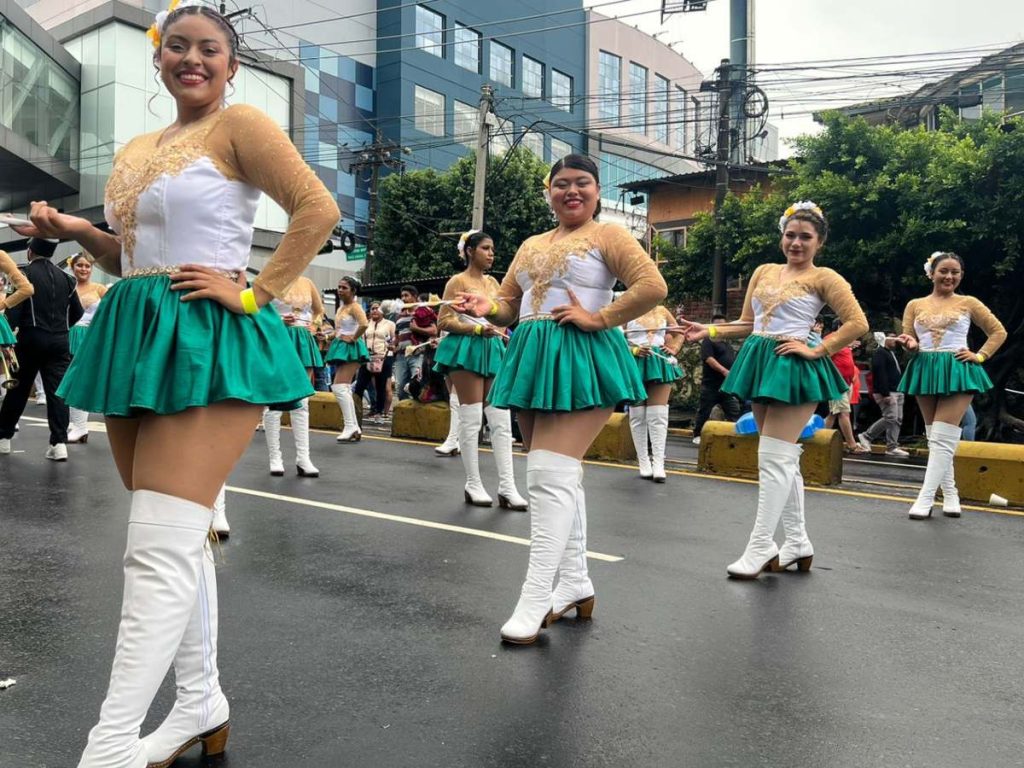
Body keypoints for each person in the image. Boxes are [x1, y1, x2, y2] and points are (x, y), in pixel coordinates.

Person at [13, 4, 339, 765]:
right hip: (140, 328)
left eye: (211, 49)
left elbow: (315, 208)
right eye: (179, 47)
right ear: (159, 58)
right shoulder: (137, 147)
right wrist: (72, 231)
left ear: (231, 63)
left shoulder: (243, 126)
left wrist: (257, 292)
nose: (193, 59)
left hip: (208, 330)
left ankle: (109, 745)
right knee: (175, 540)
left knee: (155, 549)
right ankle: (199, 702)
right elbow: (132, 255)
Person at [457, 154, 667, 644]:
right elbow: (511, 306)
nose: (572, 192)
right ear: (548, 191)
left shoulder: (609, 234)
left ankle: (536, 597)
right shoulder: (531, 244)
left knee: (549, 475)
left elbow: (652, 286)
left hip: (583, 353)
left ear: (597, 190)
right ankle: (574, 583)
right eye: (562, 185)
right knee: (560, 477)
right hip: (533, 354)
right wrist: (487, 306)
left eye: (583, 183)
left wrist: (600, 317)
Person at [681, 201, 868, 579]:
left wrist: (817, 349)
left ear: (819, 242)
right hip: (761, 359)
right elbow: (749, 323)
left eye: (805, 237)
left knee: (774, 458)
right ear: (782, 236)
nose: (795, 243)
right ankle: (797, 542)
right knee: (781, 460)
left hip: (794, 365)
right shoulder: (764, 271)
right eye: (790, 235)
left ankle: (762, 544)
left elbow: (857, 323)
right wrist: (710, 330)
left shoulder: (825, 277)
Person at [895, 251, 1006, 520]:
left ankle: (925, 497)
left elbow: (998, 331)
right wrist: (907, 343)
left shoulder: (968, 302)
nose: (949, 276)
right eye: (943, 270)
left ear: (961, 276)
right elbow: (910, 339)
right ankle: (951, 493)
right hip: (924, 367)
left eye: (955, 272)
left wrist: (979, 356)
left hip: (957, 368)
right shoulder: (915, 304)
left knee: (943, 437)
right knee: (936, 437)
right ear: (931, 273)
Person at [435, 230, 527, 509]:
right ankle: (473, 483)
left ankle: (508, 486)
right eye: (486, 248)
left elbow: (501, 314)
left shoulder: (494, 282)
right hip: (466, 350)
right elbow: (444, 320)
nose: (491, 254)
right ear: (470, 251)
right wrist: (475, 328)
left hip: (493, 350)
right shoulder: (457, 281)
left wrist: (497, 328)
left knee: (500, 418)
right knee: (472, 418)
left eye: (493, 249)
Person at [0, 237, 83, 461]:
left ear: (30, 251)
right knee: (57, 392)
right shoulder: (66, 278)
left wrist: (9, 334)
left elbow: (13, 311)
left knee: (18, 389)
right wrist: (61, 329)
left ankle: (4, 438)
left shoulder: (23, 273)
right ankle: (58, 443)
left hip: (30, 337)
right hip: (60, 340)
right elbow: (77, 312)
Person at [263, 274, 324, 477]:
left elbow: (319, 310)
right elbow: (257, 310)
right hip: (278, 337)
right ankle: (275, 457)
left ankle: (303, 458)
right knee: (275, 400)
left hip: (303, 339)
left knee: (303, 400)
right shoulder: (271, 278)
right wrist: (279, 319)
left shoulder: (308, 282)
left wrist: (314, 326)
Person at [623, 304, 684, 482]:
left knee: (658, 414)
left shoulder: (662, 310)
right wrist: (633, 350)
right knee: (638, 414)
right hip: (634, 361)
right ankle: (643, 462)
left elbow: (679, 332)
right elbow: (614, 338)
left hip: (658, 362)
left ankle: (659, 463)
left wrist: (674, 348)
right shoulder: (628, 307)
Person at [66, 253, 109, 444]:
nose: (84, 269)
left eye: (87, 266)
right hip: (67, 335)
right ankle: (75, 423)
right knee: (66, 380)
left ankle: (81, 426)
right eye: (79, 266)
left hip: (90, 336)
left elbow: (110, 315)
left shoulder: (100, 289)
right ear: (72, 267)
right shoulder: (67, 287)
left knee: (80, 379)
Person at [327, 276, 369, 442]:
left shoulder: (355, 307)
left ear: (353, 290)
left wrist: (353, 338)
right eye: (339, 287)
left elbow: (364, 324)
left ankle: (350, 426)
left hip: (351, 348)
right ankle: (353, 427)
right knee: (342, 387)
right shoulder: (341, 308)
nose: (340, 290)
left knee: (339, 386)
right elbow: (338, 330)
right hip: (341, 347)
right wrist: (326, 336)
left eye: (344, 287)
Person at [691, 312, 741, 446]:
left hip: (726, 386)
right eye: (717, 325)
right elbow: (709, 359)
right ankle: (697, 434)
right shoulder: (708, 340)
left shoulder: (727, 345)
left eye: (722, 325)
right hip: (711, 385)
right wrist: (724, 371)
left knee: (734, 411)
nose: (720, 328)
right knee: (704, 411)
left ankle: (737, 437)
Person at [857, 332, 908, 456]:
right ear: (885, 340)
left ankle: (892, 446)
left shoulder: (891, 353)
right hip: (887, 391)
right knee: (890, 417)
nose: (895, 341)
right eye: (893, 338)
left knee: (897, 419)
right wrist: (885, 393)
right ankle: (866, 436)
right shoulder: (880, 353)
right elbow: (880, 373)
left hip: (897, 389)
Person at [823, 321, 867, 454]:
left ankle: (818, 439)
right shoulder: (832, 339)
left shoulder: (843, 340)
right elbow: (825, 357)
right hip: (837, 382)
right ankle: (852, 445)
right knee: (843, 413)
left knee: (833, 413)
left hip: (845, 383)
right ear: (839, 327)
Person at [353, 301, 395, 425]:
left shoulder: (390, 324)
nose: (374, 311)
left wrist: (393, 346)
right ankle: (356, 412)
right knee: (359, 386)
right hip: (367, 358)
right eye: (372, 308)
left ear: (383, 311)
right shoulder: (365, 324)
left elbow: (394, 340)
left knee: (381, 387)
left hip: (384, 358)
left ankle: (379, 413)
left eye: (377, 308)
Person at [393, 284, 422, 400]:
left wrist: (416, 329)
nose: (403, 299)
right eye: (402, 296)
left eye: (406, 295)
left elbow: (434, 331)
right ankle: (404, 413)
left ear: (415, 296)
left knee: (417, 385)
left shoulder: (422, 313)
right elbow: (397, 335)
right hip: (401, 356)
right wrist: (393, 346)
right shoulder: (399, 316)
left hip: (417, 354)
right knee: (400, 389)